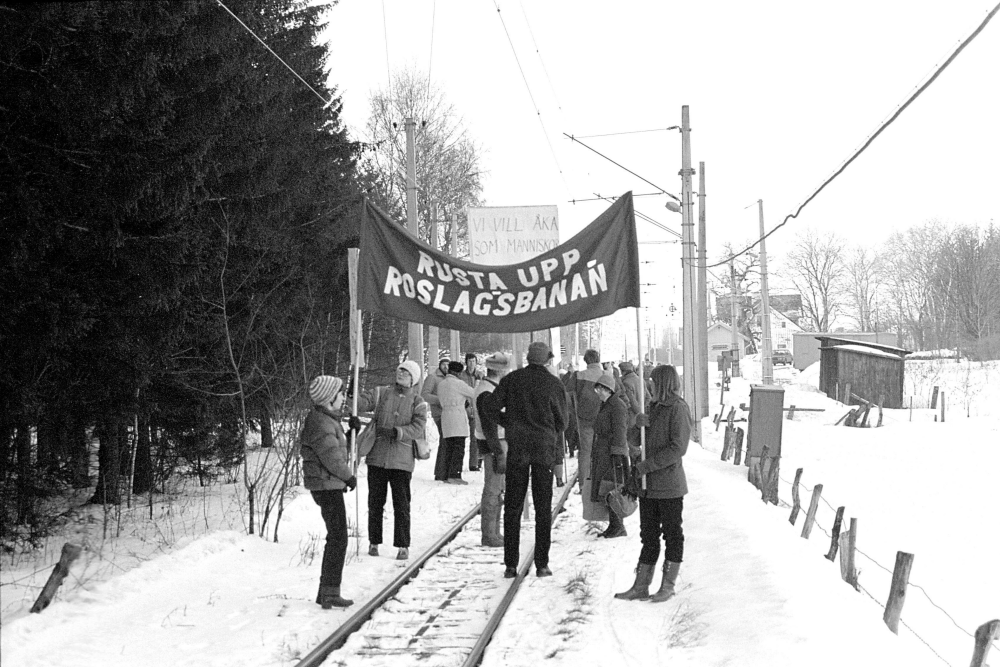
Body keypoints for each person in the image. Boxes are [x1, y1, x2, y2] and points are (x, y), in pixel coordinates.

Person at [484, 341, 567, 578]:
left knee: (513, 506)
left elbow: (490, 407)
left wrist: (508, 422)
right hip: (543, 451)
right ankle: (542, 564)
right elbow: (563, 422)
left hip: (518, 450)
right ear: (547, 360)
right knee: (543, 508)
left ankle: (511, 564)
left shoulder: (511, 380)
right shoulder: (554, 384)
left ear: (529, 358)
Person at [616, 364, 691, 603]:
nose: (649, 385)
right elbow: (637, 440)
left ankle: (667, 585)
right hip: (647, 487)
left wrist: (645, 467)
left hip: (668, 485)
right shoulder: (653, 407)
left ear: (663, 383)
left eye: (653, 381)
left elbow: (678, 448)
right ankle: (641, 585)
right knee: (648, 536)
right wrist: (636, 424)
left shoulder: (678, 409)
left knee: (672, 534)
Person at [353, 360, 428, 561]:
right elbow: (361, 403)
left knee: (401, 504)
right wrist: (353, 391)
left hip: (402, 461)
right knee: (375, 502)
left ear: (414, 378)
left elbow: (419, 426)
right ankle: (374, 542)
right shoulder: (381, 393)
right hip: (377, 457)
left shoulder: (418, 402)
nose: (401, 373)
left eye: (406, 371)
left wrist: (398, 432)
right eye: (400, 370)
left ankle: (402, 545)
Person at [299, 375, 357, 609]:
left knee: (337, 537)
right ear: (329, 398)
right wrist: (348, 476)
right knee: (338, 538)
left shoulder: (326, 420)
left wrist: (352, 432)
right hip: (326, 484)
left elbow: (340, 451)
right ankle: (329, 592)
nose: (343, 398)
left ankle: (327, 592)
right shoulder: (321, 423)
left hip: (328, 484)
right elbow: (331, 458)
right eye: (340, 394)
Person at [563, 348, 607, 521]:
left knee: (585, 452)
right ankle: (600, 483)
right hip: (604, 419)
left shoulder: (579, 376)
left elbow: (567, 392)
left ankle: (583, 485)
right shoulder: (606, 374)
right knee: (602, 452)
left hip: (584, 419)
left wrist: (574, 411)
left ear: (586, 361)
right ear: (598, 359)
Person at [473, 352, 509, 547]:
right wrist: (498, 452)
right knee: (493, 490)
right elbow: (489, 426)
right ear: (500, 370)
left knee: (497, 489)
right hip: (494, 444)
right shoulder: (487, 392)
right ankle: (489, 534)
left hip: (495, 443)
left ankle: (494, 531)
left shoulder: (488, 389)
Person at [591, 374, 630, 539]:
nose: (598, 391)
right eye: (597, 388)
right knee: (605, 488)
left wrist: (617, 453)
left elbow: (620, 431)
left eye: (600, 388)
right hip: (604, 452)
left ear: (608, 389)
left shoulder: (617, 406)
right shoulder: (606, 404)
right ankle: (614, 525)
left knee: (612, 488)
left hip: (612, 454)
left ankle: (619, 526)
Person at [438, 360, 476, 484]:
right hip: (457, 416)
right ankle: (455, 475)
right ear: (459, 373)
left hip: (445, 416)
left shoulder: (441, 384)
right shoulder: (459, 384)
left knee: (448, 447)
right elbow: (474, 393)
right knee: (459, 447)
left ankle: (446, 474)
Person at [422, 357, 451, 482]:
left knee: (447, 441)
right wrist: (440, 400)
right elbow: (425, 394)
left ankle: (444, 471)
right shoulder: (432, 378)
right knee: (445, 440)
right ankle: (440, 472)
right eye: (443, 365)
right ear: (440, 366)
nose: (446, 367)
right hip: (439, 413)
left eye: (447, 365)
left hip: (450, 414)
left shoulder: (450, 378)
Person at [459, 352, 482, 470]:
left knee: (475, 436)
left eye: (473, 361)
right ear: (466, 363)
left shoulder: (480, 375)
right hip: (464, 408)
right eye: (469, 361)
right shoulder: (461, 376)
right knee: (462, 436)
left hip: (476, 409)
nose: (471, 364)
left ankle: (475, 463)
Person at [618, 362, 644, 459]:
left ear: (623, 371)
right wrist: (643, 409)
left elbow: (631, 402)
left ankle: (636, 467)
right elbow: (648, 398)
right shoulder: (641, 380)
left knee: (632, 443)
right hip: (640, 416)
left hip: (631, 417)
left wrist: (637, 411)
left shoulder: (626, 383)